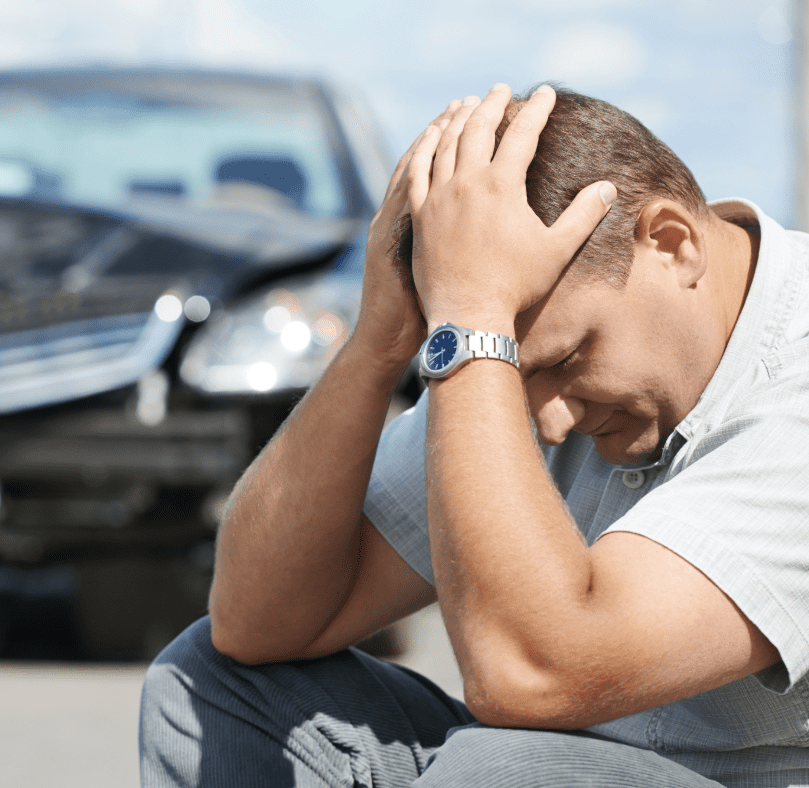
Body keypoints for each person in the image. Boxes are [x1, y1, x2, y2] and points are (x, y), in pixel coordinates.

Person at [139, 82, 809, 787]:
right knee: (211, 687)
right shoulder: (496, 346)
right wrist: (376, 345)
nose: (548, 423)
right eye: (514, 379)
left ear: (670, 245)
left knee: (501, 770)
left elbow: (529, 677)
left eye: (566, 359)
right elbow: (257, 622)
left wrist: (478, 328)